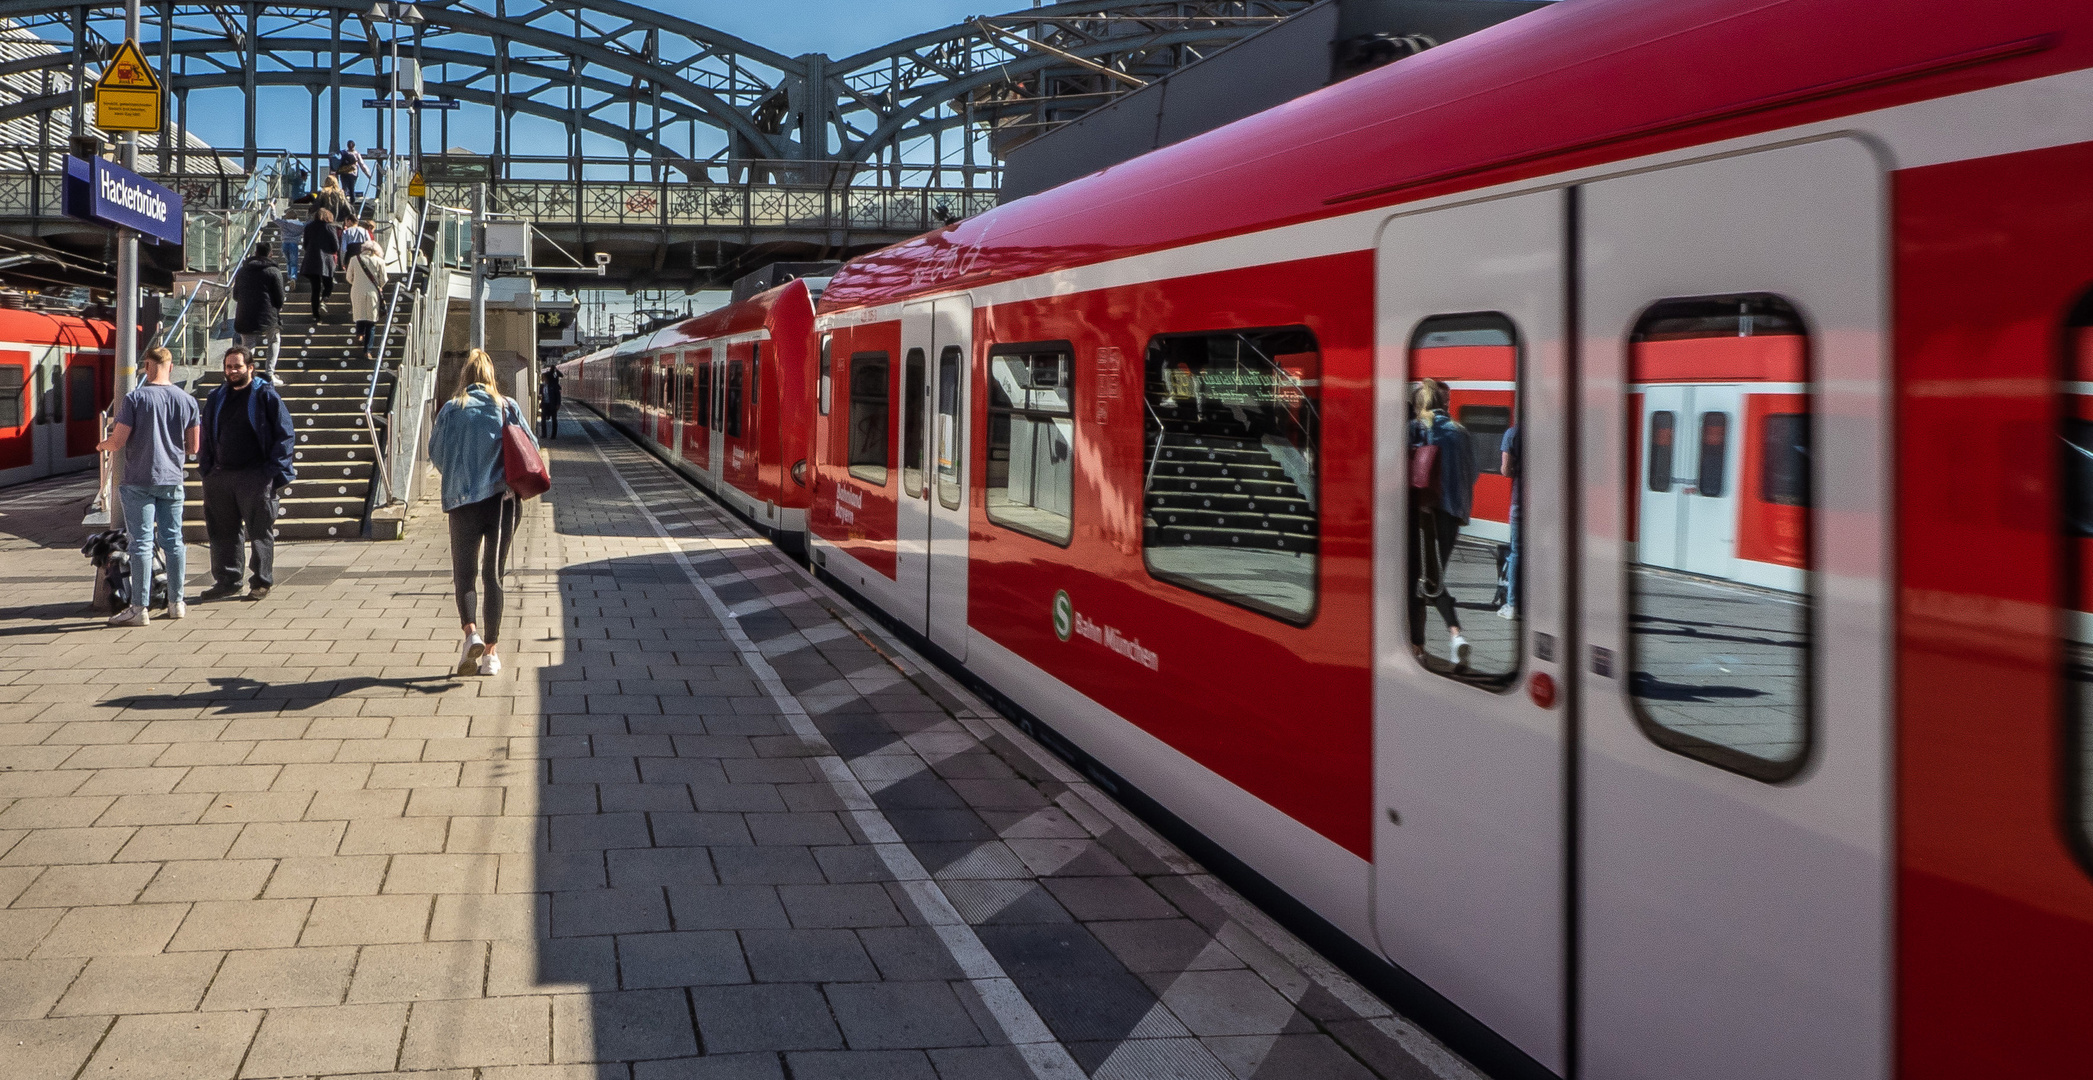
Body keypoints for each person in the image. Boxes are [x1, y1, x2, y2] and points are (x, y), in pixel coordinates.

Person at [430, 349, 540, 677]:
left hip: (461, 504)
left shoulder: (451, 409)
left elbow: (436, 453)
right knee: (493, 575)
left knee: (464, 575)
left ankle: (471, 635)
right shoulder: (506, 406)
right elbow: (529, 447)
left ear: (465, 375)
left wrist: (459, 476)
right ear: (491, 376)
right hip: (501, 502)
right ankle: (491, 655)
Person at [95, 347, 199, 627]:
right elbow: (193, 447)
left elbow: (117, 442)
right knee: (174, 542)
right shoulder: (187, 400)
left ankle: (139, 608)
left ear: (148, 366)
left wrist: (101, 445)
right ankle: (177, 603)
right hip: (172, 480)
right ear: (171, 366)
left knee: (141, 544)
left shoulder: (135, 398)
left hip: (138, 481)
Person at [198, 345, 296, 602]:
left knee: (260, 530)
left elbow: (285, 434)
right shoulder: (217, 396)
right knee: (222, 531)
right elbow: (206, 434)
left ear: (250, 368)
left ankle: (261, 581)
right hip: (220, 476)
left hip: (255, 476)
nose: (232, 371)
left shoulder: (265, 394)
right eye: (228, 367)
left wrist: (271, 471)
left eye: (237, 366)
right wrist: (206, 469)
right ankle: (227, 581)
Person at [1408, 378, 1480, 668]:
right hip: (1452, 516)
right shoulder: (1461, 432)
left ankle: (1421, 646)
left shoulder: (1417, 429)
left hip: (1426, 514)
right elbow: (1472, 474)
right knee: (1433, 578)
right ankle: (1454, 638)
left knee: (1420, 581)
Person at [231, 241, 288, 374]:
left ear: (255, 254)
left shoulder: (243, 271)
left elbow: (235, 295)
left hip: (245, 314)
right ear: (271, 254)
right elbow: (280, 297)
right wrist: (276, 308)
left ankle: (246, 375)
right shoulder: (274, 271)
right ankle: (269, 373)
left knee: (248, 345)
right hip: (268, 315)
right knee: (274, 340)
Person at [346, 241, 387, 360]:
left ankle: (359, 334)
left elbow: (348, 277)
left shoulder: (354, 259)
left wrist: (356, 283)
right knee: (371, 322)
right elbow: (383, 279)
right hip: (373, 293)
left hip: (357, 291)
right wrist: (377, 285)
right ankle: (367, 351)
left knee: (359, 314)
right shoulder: (380, 261)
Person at [301, 207, 340, 320]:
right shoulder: (329, 227)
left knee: (315, 288)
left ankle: (315, 314)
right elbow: (335, 246)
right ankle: (324, 300)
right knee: (328, 284)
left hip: (311, 260)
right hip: (325, 260)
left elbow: (305, 244)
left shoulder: (309, 227)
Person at [1498, 422, 1520, 620]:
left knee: (1517, 553)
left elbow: (1505, 470)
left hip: (1521, 502)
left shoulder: (1513, 434)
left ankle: (1512, 604)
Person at [538, 364, 562, 440]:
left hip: (552, 404)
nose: (543, 379)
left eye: (544, 378)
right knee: (543, 419)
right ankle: (544, 434)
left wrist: (558, 404)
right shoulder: (542, 386)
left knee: (554, 420)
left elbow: (558, 395)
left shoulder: (553, 386)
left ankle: (553, 435)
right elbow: (541, 394)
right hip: (545, 404)